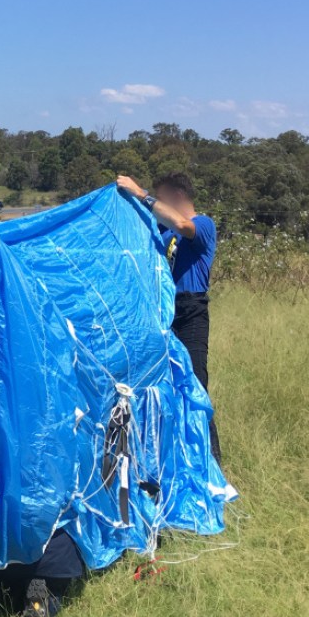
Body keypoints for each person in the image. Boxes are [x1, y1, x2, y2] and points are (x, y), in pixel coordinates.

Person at [116, 172, 221, 462]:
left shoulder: (202, 225)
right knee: (162, 389)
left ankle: (211, 464)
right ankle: (170, 460)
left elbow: (182, 224)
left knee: (195, 387)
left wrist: (141, 194)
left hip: (191, 313)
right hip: (163, 315)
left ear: (176, 196)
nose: (156, 203)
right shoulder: (164, 235)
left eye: (160, 197)